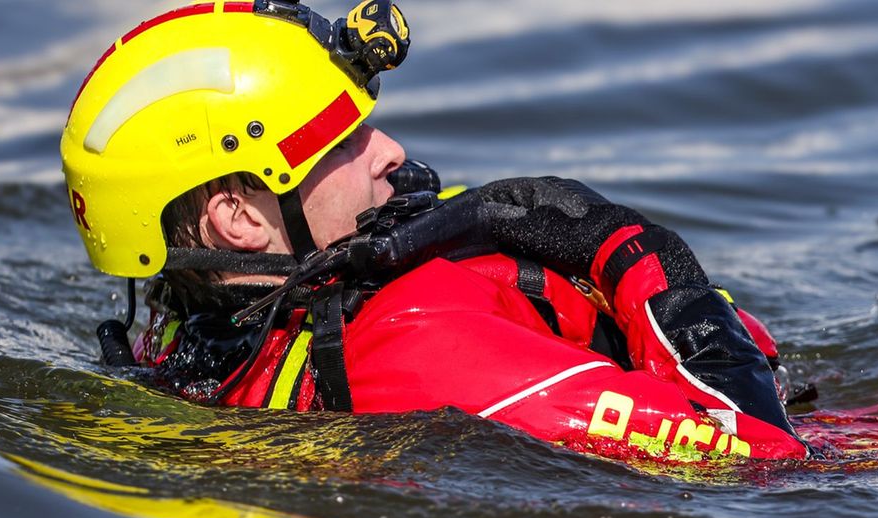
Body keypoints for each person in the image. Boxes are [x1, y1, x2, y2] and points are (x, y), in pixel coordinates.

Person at [61, 0, 807, 462]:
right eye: (340, 144)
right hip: (872, 447)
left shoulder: (180, 341)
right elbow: (761, 454)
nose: (388, 152)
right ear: (242, 219)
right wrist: (626, 247)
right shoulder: (419, 345)